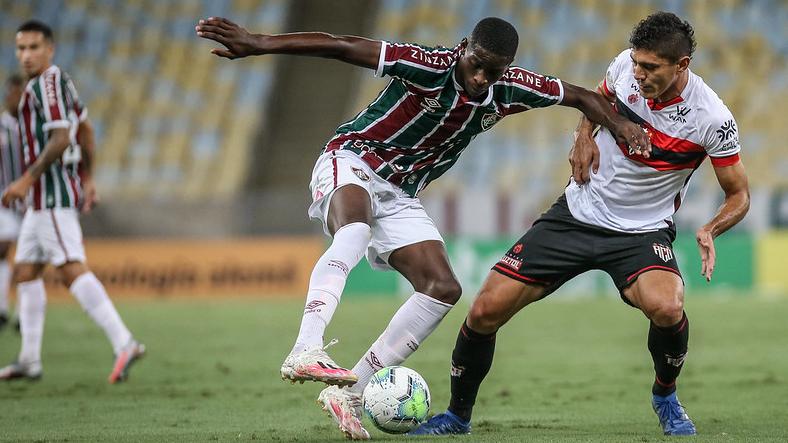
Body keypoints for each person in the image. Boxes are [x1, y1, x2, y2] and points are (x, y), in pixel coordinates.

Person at [196, 16, 650, 439]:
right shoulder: (427, 65)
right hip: (352, 161)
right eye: (476, 65)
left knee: (442, 288)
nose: (480, 79)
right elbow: (342, 46)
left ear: (506, 69)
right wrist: (259, 44)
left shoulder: (510, 88)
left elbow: (582, 97)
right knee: (352, 231)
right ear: (463, 49)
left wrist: (620, 126)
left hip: (400, 192)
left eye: (493, 72)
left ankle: (348, 393)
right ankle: (306, 349)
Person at [412, 12, 749, 437]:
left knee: (668, 306)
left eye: (650, 68)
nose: (638, 73)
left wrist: (711, 228)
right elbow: (595, 102)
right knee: (483, 312)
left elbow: (739, 194)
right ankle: (457, 416)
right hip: (576, 215)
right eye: (636, 63)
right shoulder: (623, 66)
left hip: (641, 232)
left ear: (682, 65)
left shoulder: (712, 118)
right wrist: (584, 137)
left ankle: (665, 394)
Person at [0, 20, 145, 383]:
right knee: (25, 272)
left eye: (34, 47)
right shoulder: (60, 82)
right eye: (21, 48)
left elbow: (63, 138)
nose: (26, 55)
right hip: (42, 200)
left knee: (69, 268)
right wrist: (90, 178)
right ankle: (30, 359)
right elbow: (87, 129)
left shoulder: (46, 83)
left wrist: (25, 179)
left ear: (50, 49)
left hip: (50, 195)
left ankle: (124, 341)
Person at [0, 74, 25, 330]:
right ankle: (2, 308)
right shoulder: (1, 126)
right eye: (12, 93)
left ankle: (21, 313)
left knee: (30, 258)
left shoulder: (33, 126)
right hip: (5, 200)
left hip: (30, 201)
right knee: (3, 247)